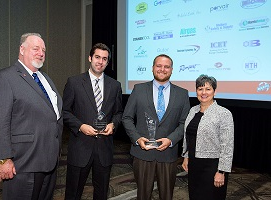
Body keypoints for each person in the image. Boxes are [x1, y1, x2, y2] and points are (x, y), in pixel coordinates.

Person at [0, 33, 63, 200]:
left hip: (49, 160)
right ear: (22, 49)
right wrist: (3, 159)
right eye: (35, 48)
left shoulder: (45, 79)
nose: (41, 53)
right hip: (23, 163)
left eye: (43, 50)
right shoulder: (4, 78)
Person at [122, 54, 190, 200]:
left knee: (167, 196)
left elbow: (184, 123)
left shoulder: (182, 94)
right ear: (153, 68)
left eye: (166, 67)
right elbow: (126, 118)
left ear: (172, 70)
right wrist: (137, 138)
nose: (162, 69)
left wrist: (171, 140)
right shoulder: (138, 89)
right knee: (143, 195)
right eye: (159, 66)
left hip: (168, 154)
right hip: (142, 153)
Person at [63, 43, 123, 200]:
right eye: (97, 57)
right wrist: (81, 126)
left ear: (107, 62)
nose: (100, 62)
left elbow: (118, 112)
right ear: (90, 58)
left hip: (104, 148)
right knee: (73, 193)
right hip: (80, 147)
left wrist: (113, 124)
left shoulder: (115, 85)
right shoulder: (74, 82)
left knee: (102, 193)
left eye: (104, 59)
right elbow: (65, 112)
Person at [181, 74, 234, 200]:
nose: (203, 92)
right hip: (194, 164)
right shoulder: (192, 110)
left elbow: (227, 145)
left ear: (214, 91)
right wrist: (186, 156)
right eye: (200, 89)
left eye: (208, 89)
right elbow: (188, 137)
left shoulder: (224, 113)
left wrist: (221, 172)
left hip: (212, 167)